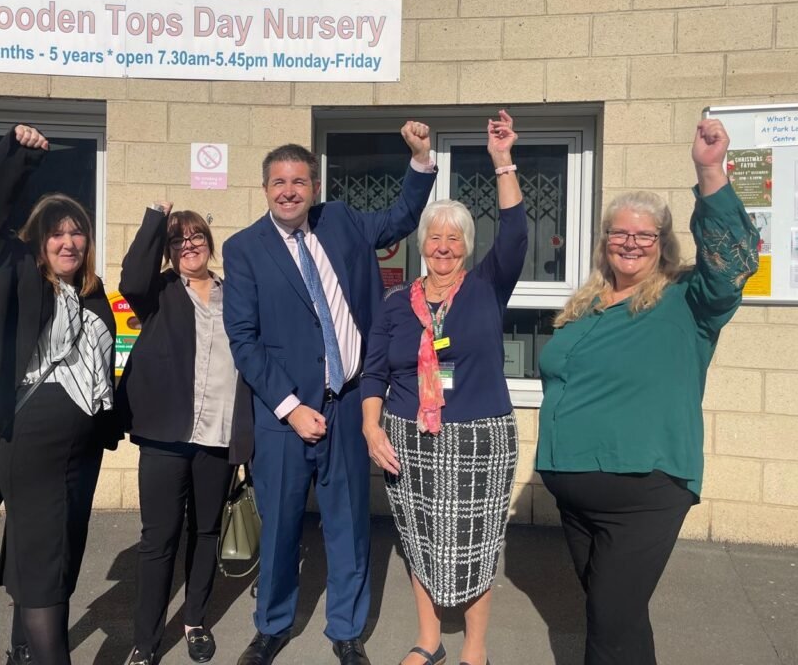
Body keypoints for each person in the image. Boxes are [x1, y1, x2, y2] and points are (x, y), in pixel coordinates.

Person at [535, 119, 760, 665]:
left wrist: (709, 170)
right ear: (604, 240)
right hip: (573, 490)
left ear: (662, 244)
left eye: (643, 235)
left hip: (644, 489)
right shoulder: (584, 306)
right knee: (621, 622)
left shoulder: (689, 300)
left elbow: (735, 260)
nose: (630, 243)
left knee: (607, 628)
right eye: (619, 232)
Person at [222, 124, 438, 665]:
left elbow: (401, 219)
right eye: (278, 182)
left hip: (347, 404)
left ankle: (346, 630)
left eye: (299, 180)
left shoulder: (340, 221)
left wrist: (419, 159)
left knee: (348, 526)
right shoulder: (244, 249)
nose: (289, 190)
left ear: (314, 186)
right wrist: (291, 409)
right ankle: (271, 626)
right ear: (265, 189)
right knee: (280, 528)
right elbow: (244, 341)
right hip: (285, 414)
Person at [361, 111, 526, 665]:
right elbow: (376, 372)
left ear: (467, 246)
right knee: (420, 541)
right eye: (435, 238)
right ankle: (428, 641)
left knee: (475, 545)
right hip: (409, 437)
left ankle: (474, 650)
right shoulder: (395, 305)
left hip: (480, 437)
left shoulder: (485, 288)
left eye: (455, 239)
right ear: (422, 245)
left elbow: (518, 231)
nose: (444, 247)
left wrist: (503, 161)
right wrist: (369, 426)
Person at [0, 125, 118, 665]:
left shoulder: (91, 296)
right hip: (32, 449)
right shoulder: (19, 272)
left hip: (81, 454)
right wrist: (18, 158)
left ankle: (20, 653)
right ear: (38, 241)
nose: (68, 242)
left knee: (55, 557)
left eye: (77, 233)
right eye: (57, 234)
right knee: (46, 563)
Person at [117, 201, 253, 665]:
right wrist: (155, 218)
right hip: (165, 436)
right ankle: (146, 641)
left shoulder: (234, 294)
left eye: (196, 237)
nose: (189, 245)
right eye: (178, 240)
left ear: (209, 245)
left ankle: (195, 619)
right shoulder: (158, 291)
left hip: (217, 436)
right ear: (169, 252)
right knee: (159, 539)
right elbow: (131, 277)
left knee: (206, 531)